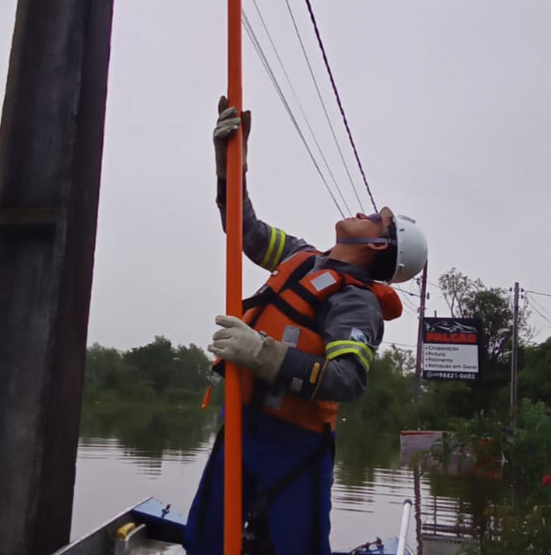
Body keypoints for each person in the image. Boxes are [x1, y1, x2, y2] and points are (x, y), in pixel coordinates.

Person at [183, 97, 428, 555]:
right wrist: (231, 166)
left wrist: (262, 354)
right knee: (204, 542)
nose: (363, 213)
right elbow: (244, 231)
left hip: (296, 445)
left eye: (375, 219)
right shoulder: (301, 256)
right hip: (242, 424)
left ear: (380, 245)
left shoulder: (355, 302)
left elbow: (347, 379)